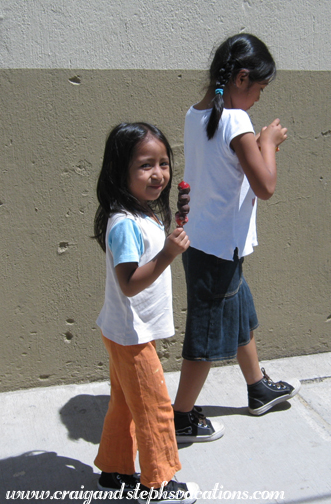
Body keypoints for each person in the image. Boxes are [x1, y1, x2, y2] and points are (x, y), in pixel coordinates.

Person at [173, 33, 301, 443]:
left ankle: (256, 386)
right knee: (206, 336)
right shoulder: (236, 121)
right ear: (242, 78)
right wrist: (268, 143)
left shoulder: (197, 113)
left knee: (241, 314)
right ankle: (181, 415)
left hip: (205, 242)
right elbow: (264, 186)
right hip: (216, 251)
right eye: (260, 89)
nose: (259, 98)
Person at [93, 122, 200, 504]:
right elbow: (129, 283)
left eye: (164, 164)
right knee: (154, 408)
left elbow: (155, 246)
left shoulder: (146, 214)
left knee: (124, 405)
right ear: (121, 171)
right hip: (130, 335)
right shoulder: (123, 224)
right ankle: (159, 482)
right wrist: (169, 254)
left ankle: (115, 468)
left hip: (128, 331)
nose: (158, 174)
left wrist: (176, 223)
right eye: (145, 165)